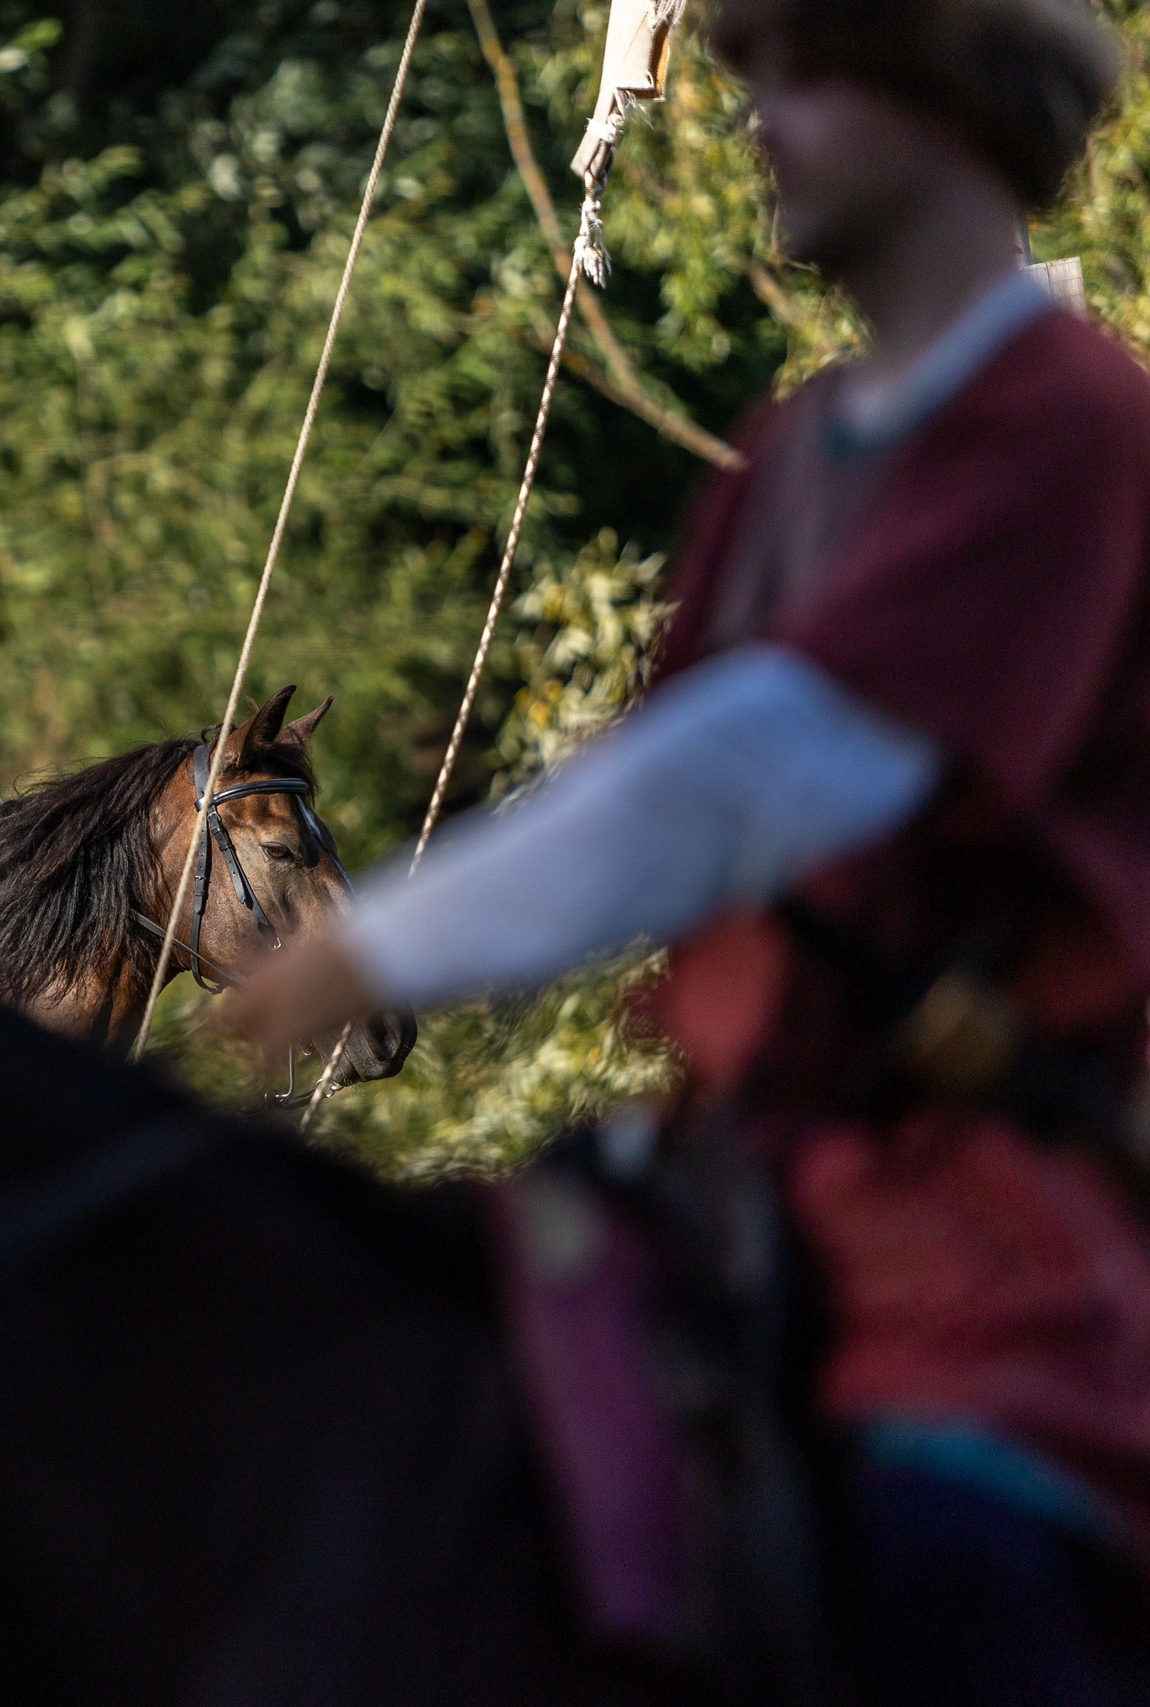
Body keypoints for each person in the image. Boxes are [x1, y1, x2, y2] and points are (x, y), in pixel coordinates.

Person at [222, 0, 1148, 1697]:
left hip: (981, 1259)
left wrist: (380, 939)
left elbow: (763, 765)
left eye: (812, 77)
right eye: (751, 81)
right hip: (745, 1205)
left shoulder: (1068, 421)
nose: (758, 123)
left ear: (948, 108)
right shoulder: (796, 453)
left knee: (942, 1564)